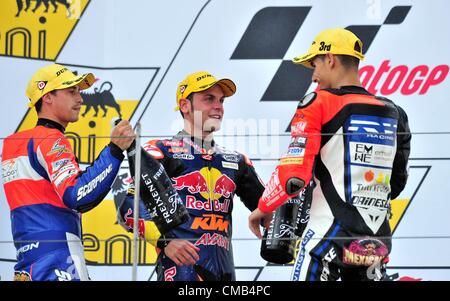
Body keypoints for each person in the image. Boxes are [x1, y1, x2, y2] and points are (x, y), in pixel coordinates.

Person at [249, 28, 411, 281]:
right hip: (375, 241)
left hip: (328, 236)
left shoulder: (319, 102)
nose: (314, 76)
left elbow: (294, 176)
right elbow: (397, 183)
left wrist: (263, 207)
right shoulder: (394, 112)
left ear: (330, 59)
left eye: (314, 65)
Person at [118, 71, 265, 281]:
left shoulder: (236, 160)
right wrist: (164, 242)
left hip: (225, 274)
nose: (218, 107)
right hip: (181, 272)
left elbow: (269, 207)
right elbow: (128, 208)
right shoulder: (161, 151)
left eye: (221, 101)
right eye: (209, 99)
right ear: (185, 106)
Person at [1, 64, 135, 281]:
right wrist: (114, 150)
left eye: (79, 92)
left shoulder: (12, 144)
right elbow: (77, 195)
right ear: (47, 97)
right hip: (59, 258)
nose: (80, 99)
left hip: (27, 262)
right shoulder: (50, 138)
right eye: (71, 91)